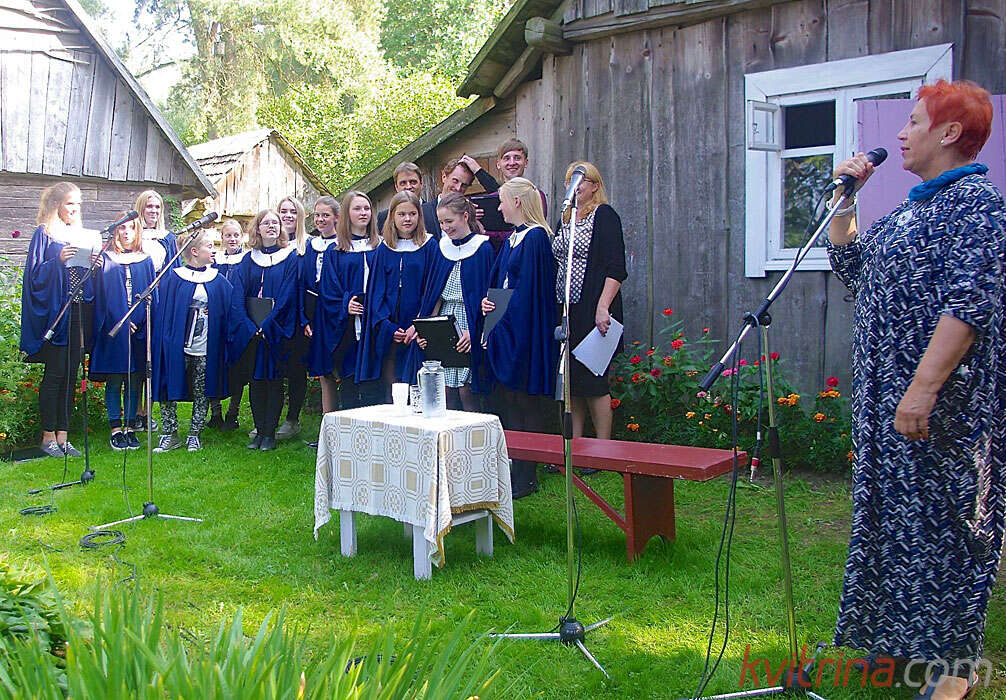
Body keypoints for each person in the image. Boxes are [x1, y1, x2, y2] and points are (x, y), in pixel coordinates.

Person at [828, 80, 1005, 700]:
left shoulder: (976, 205)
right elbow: (854, 267)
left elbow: (969, 307)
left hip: (943, 411)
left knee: (951, 532)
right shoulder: (913, 209)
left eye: (913, 122)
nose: (900, 135)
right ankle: (903, 647)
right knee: (895, 525)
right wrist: (846, 201)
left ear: (949, 133)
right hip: (886, 405)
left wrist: (922, 390)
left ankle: (955, 668)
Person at [482, 177, 558, 498]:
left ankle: (528, 474)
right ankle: (515, 468)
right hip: (506, 327)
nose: (499, 208)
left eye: (502, 201)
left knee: (526, 400)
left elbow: (528, 293)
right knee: (509, 400)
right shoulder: (514, 237)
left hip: (524, 332)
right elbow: (500, 282)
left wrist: (503, 315)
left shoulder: (536, 238)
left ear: (516, 202)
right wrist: (488, 304)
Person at [20, 182, 102, 458]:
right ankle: (47, 437)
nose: (75, 208)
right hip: (58, 311)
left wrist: (94, 266)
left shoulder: (82, 234)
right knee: (55, 374)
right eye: (70, 203)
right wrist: (57, 259)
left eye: (78, 203)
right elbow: (34, 276)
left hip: (79, 311)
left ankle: (64, 437)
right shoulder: (44, 234)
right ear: (56, 204)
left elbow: (86, 280)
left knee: (71, 374)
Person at [552, 162, 626, 442]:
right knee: (572, 382)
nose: (575, 185)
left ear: (595, 186)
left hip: (594, 306)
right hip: (566, 308)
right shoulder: (565, 218)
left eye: (581, 180)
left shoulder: (604, 215)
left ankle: (603, 448)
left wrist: (603, 307)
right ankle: (576, 445)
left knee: (594, 380)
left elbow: (616, 268)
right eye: (570, 180)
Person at [409, 193, 495, 411]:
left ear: (465, 216)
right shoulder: (442, 248)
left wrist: (474, 331)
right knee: (444, 391)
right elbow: (435, 295)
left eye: (449, 221)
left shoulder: (483, 248)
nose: (445, 227)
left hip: (469, 322)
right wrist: (426, 330)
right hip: (444, 321)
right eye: (441, 223)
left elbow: (487, 297)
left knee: (467, 392)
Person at [151, 230, 233, 452]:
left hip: (206, 344)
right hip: (177, 344)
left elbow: (228, 310)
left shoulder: (218, 280)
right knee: (169, 385)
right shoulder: (173, 277)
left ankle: (195, 433)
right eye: (209, 246)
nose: (214, 250)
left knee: (202, 388)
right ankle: (170, 433)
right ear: (195, 251)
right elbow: (165, 313)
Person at [229, 210, 300, 451]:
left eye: (275, 223)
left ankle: (270, 434)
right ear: (257, 229)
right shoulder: (248, 260)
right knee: (256, 380)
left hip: (276, 329)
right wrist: (250, 326)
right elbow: (238, 294)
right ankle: (259, 431)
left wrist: (267, 325)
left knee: (274, 380)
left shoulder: (290, 258)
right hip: (251, 331)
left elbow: (288, 294)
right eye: (266, 223)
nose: (271, 226)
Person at [357, 191, 437, 402]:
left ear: (419, 215)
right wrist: (388, 327)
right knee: (390, 377)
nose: (407, 219)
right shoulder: (384, 249)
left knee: (416, 379)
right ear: (392, 216)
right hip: (390, 323)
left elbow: (431, 290)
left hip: (417, 322)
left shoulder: (430, 246)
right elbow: (376, 292)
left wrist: (418, 325)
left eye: (412, 213)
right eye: (401, 214)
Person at [308, 192, 380, 411]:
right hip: (347, 326)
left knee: (375, 383)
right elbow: (328, 290)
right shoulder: (336, 250)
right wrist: (345, 305)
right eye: (357, 208)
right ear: (347, 214)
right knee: (349, 381)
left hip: (375, 322)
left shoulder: (381, 247)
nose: (363, 213)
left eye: (366, 208)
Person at [90, 212, 155, 451]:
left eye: (131, 228)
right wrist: (119, 321)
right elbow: (102, 297)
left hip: (138, 330)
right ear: (115, 231)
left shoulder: (145, 261)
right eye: (122, 228)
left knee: (133, 380)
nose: (126, 233)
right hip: (114, 329)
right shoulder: (106, 259)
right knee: (115, 379)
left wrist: (136, 321)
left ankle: (130, 426)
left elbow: (150, 295)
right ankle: (115, 428)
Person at [133, 189, 176, 433]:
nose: (153, 211)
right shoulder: (131, 234)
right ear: (141, 208)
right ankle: (135, 410)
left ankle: (148, 411)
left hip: (159, 301)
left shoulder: (167, 238)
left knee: (154, 354)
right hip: (136, 298)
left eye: (157, 207)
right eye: (149, 206)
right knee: (138, 355)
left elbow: (173, 270)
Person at [460, 139, 548, 251]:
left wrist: (486, 233)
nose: (512, 162)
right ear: (498, 164)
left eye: (517, 158)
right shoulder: (493, 197)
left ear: (526, 163)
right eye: (506, 158)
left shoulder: (535, 195)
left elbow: (527, 235)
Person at [273, 196, 310, 441]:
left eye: (293, 211)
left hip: (298, 317)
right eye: (283, 211)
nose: (288, 215)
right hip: (274, 317)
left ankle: (292, 418)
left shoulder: (307, 246)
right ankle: (270, 419)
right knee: (274, 370)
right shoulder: (270, 246)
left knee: (296, 370)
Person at [301, 196, 342, 413]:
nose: (320, 219)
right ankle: (328, 420)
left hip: (335, 311)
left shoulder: (343, 245)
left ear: (336, 218)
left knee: (339, 366)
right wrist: (305, 319)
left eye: (325, 215)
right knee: (324, 369)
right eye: (317, 215)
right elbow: (304, 282)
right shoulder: (311, 246)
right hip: (315, 311)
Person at [208, 219, 247, 430]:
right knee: (214, 364)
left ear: (242, 237)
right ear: (222, 238)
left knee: (237, 366)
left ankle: (233, 412)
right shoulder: (214, 262)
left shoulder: (247, 259)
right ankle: (215, 412)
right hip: (217, 319)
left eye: (236, 235)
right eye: (228, 235)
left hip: (237, 319)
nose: (232, 239)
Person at [376, 162, 426, 232]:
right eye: (403, 183)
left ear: (421, 184)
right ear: (396, 187)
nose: (408, 187)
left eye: (413, 182)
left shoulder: (432, 212)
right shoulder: (384, 217)